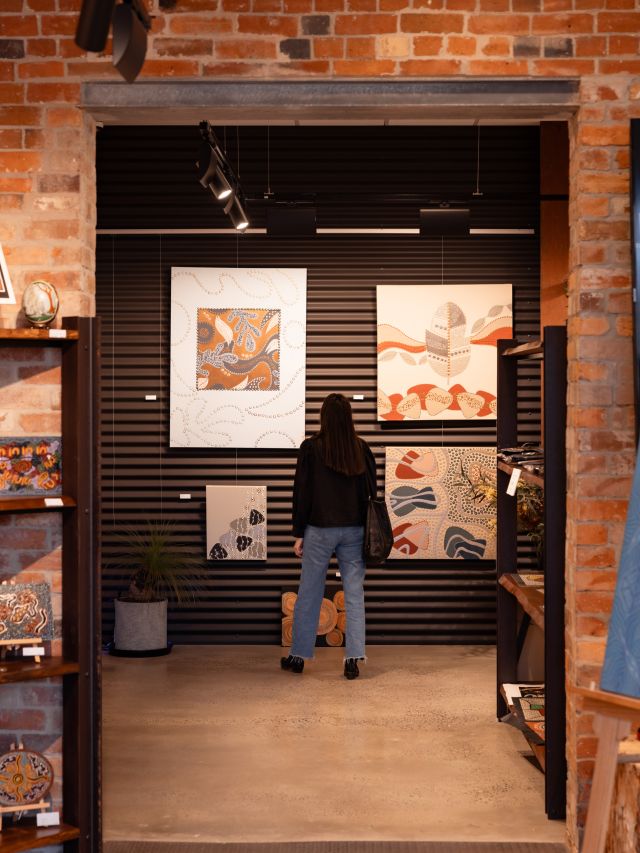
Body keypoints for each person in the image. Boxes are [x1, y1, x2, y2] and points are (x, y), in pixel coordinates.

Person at [281, 393, 376, 680]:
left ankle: (298, 657)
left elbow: (302, 493)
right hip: (355, 530)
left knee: (308, 593)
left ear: (323, 417)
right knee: (355, 594)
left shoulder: (311, 449)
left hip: (319, 529)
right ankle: (353, 660)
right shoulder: (361, 448)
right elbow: (371, 492)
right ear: (349, 417)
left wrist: (299, 533)